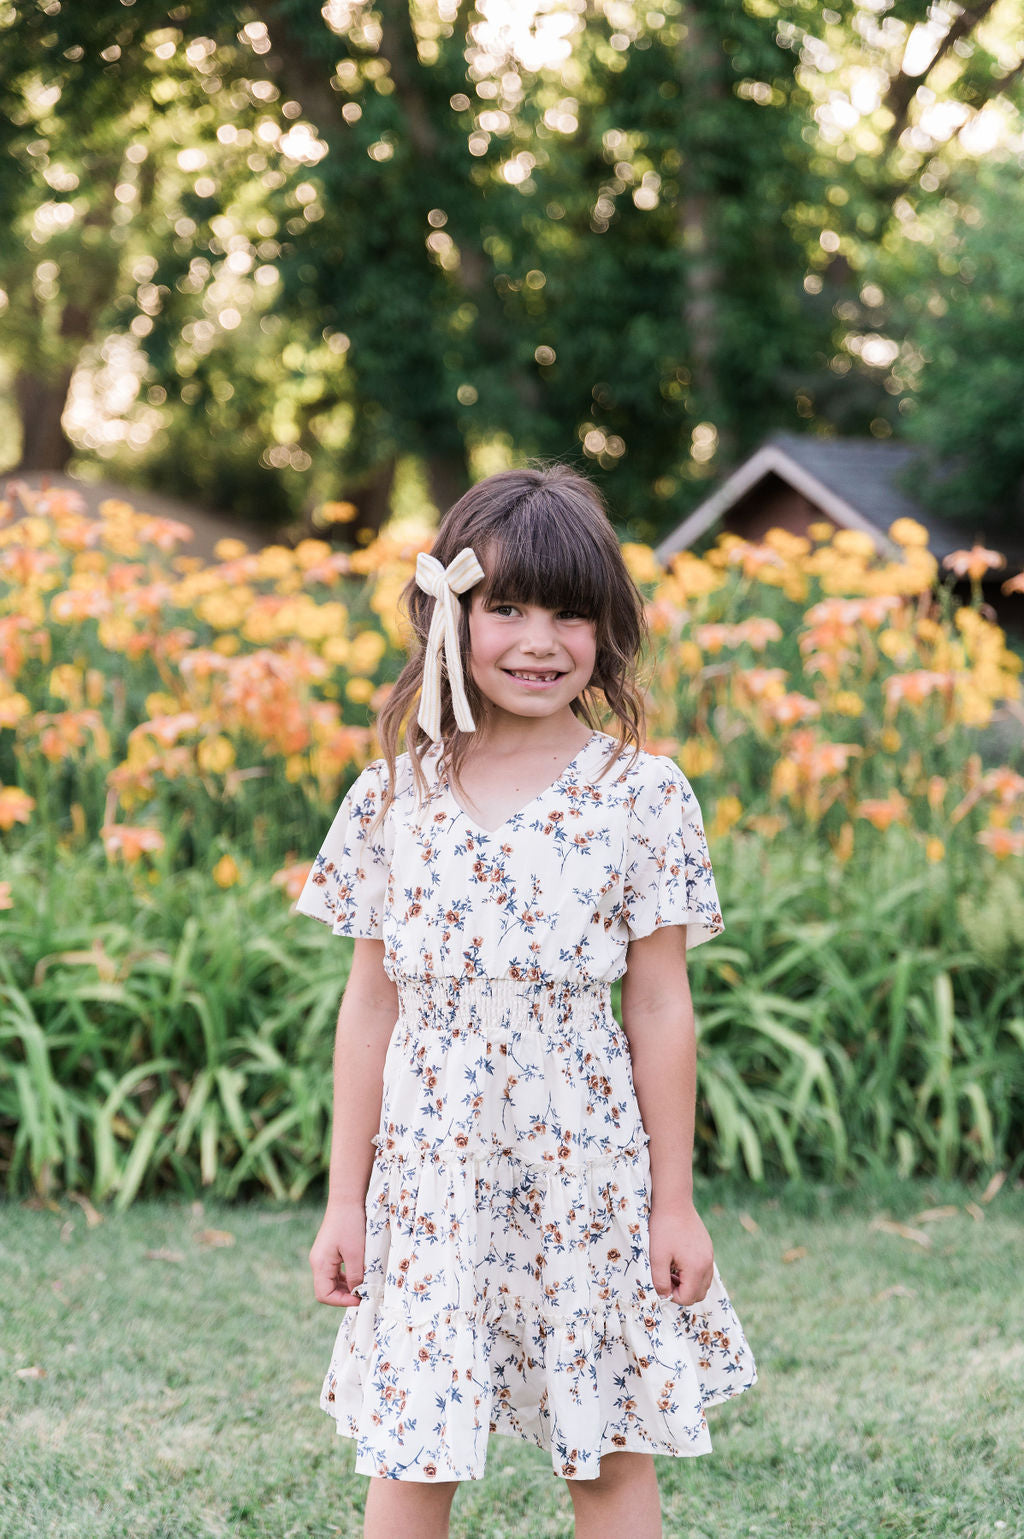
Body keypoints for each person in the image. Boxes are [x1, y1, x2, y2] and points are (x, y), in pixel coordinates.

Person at [296, 464, 757, 1539]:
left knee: (604, 1444)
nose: (539, 640)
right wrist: (343, 1199)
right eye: (506, 607)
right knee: (413, 1448)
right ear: (450, 616)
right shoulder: (393, 796)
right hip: (430, 1175)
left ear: (607, 634)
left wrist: (673, 1202)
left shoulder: (640, 794)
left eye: (570, 614)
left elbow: (658, 1008)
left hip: (584, 1169)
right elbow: (370, 1010)